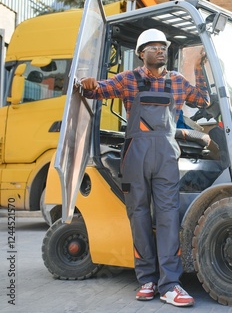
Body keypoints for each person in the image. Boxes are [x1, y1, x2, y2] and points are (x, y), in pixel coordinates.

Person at [79, 28, 210, 307]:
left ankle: (170, 284)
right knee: (138, 217)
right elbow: (97, 91)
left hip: (166, 158)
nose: (160, 50)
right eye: (152, 47)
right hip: (135, 158)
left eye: (163, 46)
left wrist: (200, 67)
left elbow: (204, 100)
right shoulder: (128, 80)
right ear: (141, 54)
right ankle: (147, 280)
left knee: (168, 218)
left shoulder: (177, 81)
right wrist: (87, 84)